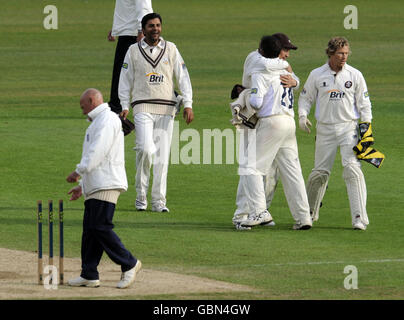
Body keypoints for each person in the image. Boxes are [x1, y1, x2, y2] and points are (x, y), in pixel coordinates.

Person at [66, 88, 141, 289]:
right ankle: (89, 274)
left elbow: (98, 151)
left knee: (100, 227)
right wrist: (82, 185)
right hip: (96, 183)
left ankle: (129, 263)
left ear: (91, 101)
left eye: (83, 107)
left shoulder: (107, 119)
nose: (82, 112)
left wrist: (78, 172)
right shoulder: (98, 122)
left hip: (107, 182)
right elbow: (95, 155)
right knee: (91, 230)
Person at [118, 13, 194, 212]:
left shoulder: (171, 48)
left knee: (161, 157)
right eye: (151, 26)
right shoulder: (133, 50)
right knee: (144, 148)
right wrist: (124, 105)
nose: (155, 29)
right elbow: (124, 79)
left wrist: (188, 103)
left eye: (158, 25)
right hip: (142, 106)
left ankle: (159, 201)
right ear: (143, 29)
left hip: (167, 108)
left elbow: (183, 77)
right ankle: (140, 195)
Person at [236, 36, 312, 230]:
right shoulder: (283, 66)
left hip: (271, 122)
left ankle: (259, 211)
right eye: (285, 50)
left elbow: (256, 103)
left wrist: (245, 96)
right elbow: (293, 78)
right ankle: (303, 217)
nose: (287, 53)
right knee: (292, 171)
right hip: (289, 122)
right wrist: (294, 81)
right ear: (277, 51)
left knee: (249, 167)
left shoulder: (262, 70)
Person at [298, 37, 373, 230]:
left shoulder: (355, 75)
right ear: (330, 53)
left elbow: (364, 104)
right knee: (319, 173)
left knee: (352, 169)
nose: (344, 57)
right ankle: (308, 215)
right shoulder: (317, 74)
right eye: (340, 53)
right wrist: (302, 115)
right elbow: (306, 98)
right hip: (325, 129)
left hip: (348, 128)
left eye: (346, 53)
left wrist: (366, 129)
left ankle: (359, 218)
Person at [108, 0, 153, 114]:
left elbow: (144, 7)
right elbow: (126, 9)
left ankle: (115, 106)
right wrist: (116, 28)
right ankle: (173, 97)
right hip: (127, 32)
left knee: (121, 70)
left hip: (133, 34)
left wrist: (140, 31)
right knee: (144, 70)